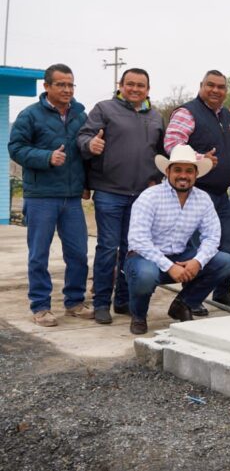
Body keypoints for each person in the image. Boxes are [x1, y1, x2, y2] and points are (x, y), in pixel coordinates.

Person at [77, 68, 165, 325]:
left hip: (142, 196)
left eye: (141, 85)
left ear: (148, 89)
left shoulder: (157, 117)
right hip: (109, 191)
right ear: (121, 85)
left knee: (132, 249)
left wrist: (156, 180)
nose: (136, 89)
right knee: (108, 248)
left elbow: (161, 154)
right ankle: (101, 303)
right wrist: (89, 144)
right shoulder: (104, 109)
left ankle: (123, 300)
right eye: (131, 84)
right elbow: (83, 136)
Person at [8, 63, 93, 327]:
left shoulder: (81, 115)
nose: (67, 89)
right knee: (39, 254)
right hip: (41, 196)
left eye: (70, 84)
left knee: (78, 253)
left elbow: (84, 154)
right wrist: (46, 157)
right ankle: (41, 307)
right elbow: (16, 148)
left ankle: (75, 302)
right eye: (61, 84)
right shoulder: (30, 115)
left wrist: (87, 183)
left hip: (71, 197)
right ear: (46, 86)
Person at [124, 145, 230, 335]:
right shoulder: (150, 196)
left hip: (182, 255)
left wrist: (197, 261)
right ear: (167, 171)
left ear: (196, 174)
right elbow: (138, 239)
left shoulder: (203, 199)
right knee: (145, 276)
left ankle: (183, 304)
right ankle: (139, 315)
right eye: (177, 170)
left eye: (188, 171)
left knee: (225, 262)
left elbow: (212, 236)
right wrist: (169, 266)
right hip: (146, 258)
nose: (183, 175)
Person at [164, 70, 230, 310]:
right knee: (199, 250)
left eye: (221, 87)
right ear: (201, 86)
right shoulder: (187, 112)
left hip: (222, 194)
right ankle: (192, 299)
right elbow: (172, 145)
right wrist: (199, 159)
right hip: (196, 194)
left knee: (226, 249)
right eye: (210, 85)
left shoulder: (229, 118)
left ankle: (221, 293)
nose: (216, 90)